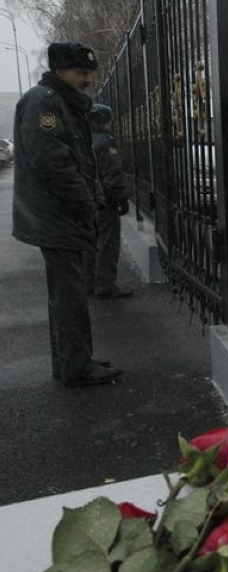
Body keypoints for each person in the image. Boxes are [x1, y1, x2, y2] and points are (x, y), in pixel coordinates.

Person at [11, 42, 123, 387]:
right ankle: (77, 366)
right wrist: (85, 204)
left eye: (90, 73)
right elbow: (53, 162)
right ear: (60, 71)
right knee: (69, 295)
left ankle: (72, 360)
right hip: (56, 215)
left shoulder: (61, 102)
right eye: (81, 73)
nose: (88, 79)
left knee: (65, 294)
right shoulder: (45, 101)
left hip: (57, 214)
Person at [82, 104, 133, 299]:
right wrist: (121, 198)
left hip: (88, 197)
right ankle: (105, 284)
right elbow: (112, 173)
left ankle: (88, 282)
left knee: (91, 242)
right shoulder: (105, 140)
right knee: (108, 243)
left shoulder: (84, 139)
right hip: (105, 199)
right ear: (104, 120)